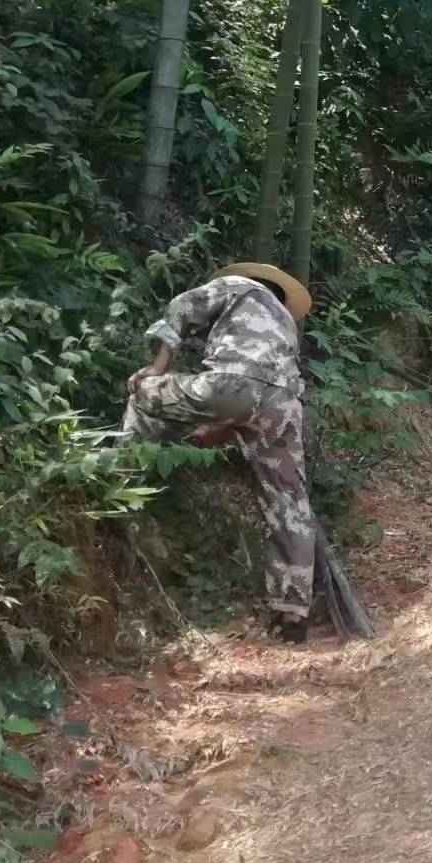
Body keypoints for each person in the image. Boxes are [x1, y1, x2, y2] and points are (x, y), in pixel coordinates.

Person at [123, 262, 320, 643]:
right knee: (289, 502)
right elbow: (258, 395)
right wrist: (220, 430)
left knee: (142, 395)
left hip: (230, 383)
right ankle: (294, 612)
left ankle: (121, 479)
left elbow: (181, 308)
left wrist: (155, 369)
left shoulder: (235, 284)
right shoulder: (285, 322)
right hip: (284, 403)